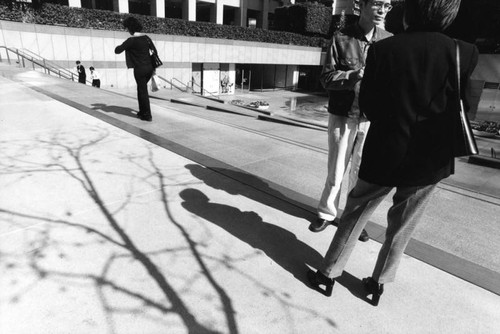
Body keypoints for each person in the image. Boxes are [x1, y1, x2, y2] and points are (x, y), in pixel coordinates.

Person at [307, 0, 478, 305]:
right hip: (431, 158)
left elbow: (370, 107)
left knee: (355, 213)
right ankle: (377, 284)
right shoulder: (464, 51)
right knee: (403, 224)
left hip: (386, 150)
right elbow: (464, 106)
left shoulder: (387, 50)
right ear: (450, 14)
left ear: (411, 11)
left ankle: (328, 274)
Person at [309, 0, 393, 243]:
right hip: (343, 114)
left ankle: (353, 220)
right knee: (336, 168)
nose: (382, 10)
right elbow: (326, 78)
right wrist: (352, 75)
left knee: (360, 172)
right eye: (378, 4)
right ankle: (327, 213)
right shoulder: (341, 38)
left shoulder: (389, 40)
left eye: (388, 6)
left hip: (373, 117)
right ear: (362, 5)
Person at [114, 17, 155, 122]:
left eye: (127, 28)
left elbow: (117, 50)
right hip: (149, 68)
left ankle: (147, 115)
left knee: (142, 91)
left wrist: (121, 46)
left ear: (130, 28)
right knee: (141, 89)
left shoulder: (131, 41)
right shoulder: (146, 38)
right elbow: (154, 52)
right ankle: (142, 111)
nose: (127, 30)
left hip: (139, 69)